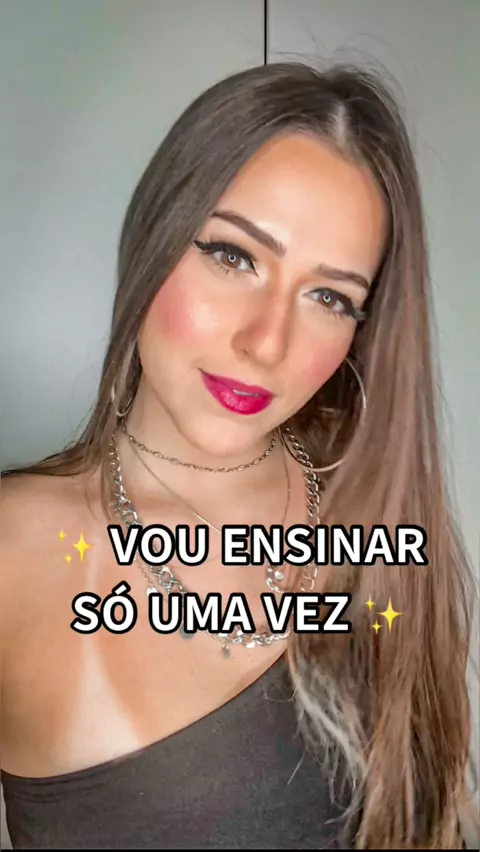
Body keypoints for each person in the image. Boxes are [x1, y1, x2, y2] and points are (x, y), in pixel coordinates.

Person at [0, 60, 477, 850]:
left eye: (329, 297)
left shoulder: (375, 516)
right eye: (233, 256)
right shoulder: (14, 553)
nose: (266, 343)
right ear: (154, 238)